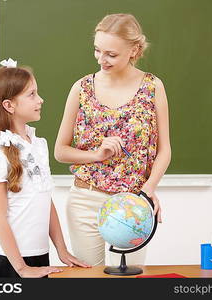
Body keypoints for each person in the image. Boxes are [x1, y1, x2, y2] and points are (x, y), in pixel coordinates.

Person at [54, 14, 171, 266]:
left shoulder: (153, 87)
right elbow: (60, 151)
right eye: (97, 50)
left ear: (134, 50)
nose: (101, 59)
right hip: (86, 200)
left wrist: (147, 191)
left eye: (111, 54)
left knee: (130, 280)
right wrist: (95, 154)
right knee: (89, 281)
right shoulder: (82, 88)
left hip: (133, 203)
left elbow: (165, 150)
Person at [0, 58, 89, 278]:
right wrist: (21, 268)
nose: (40, 99)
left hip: (39, 256)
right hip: (9, 262)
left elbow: (44, 200)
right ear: (9, 105)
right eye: (31, 94)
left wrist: (62, 249)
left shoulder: (39, 145)